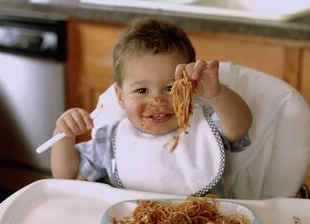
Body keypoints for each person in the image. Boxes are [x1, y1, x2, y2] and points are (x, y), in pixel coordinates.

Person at [51, 17, 252, 197]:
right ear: (120, 97)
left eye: (170, 88)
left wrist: (216, 94)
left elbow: (239, 127)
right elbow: (67, 178)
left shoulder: (204, 124)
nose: (157, 101)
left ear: (189, 88)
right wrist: (64, 134)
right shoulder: (109, 141)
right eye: (142, 91)